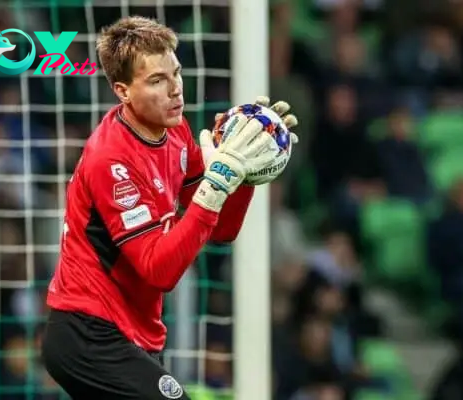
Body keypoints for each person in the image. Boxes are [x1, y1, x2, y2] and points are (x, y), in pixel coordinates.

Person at [40, 16, 298, 399]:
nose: (176, 89)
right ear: (122, 90)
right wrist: (216, 184)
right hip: (87, 333)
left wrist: (242, 176)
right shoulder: (111, 160)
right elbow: (159, 270)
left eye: (176, 73)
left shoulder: (173, 130)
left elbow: (220, 229)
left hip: (135, 335)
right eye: (157, 80)